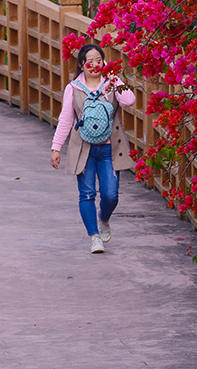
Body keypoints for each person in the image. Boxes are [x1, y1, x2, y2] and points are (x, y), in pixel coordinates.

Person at [52, 42, 135, 253]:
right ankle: (94, 237)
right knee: (86, 193)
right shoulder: (73, 89)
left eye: (99, 60)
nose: (94, 65)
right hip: (84, 149)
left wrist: (114, 78)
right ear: (81, 65)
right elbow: (65, 120)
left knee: (110, 195)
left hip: (109, 149)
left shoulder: (111, 84)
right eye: (90, 61)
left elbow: (129, 100)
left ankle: (103, 218)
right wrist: (56, 148)